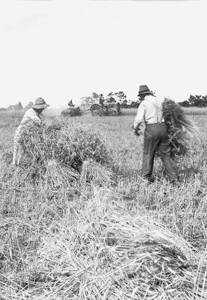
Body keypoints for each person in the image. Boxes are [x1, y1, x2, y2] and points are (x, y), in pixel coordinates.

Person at [133, 85, 177, 183]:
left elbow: (139, 119)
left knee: (148, 153)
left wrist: (135, 128)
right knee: (166, 155)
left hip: (152, 129)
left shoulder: (144, 103)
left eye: (140, 96)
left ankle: (145, 178)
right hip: (163, 127)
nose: (140, 98)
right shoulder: (159, 100)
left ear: (142, 95)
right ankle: (173, 179)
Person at [12, 97, 50, 166]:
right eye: (42, 108)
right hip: (21, 131)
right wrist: (46, 126)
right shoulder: (31, 112)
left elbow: (44, 120)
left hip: (28, 133)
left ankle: (20, 165)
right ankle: (15, 166)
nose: (43, 109)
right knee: (18, 149)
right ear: (38, 107)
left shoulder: (39, 113)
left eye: (43, 108)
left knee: (23, 151)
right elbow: (39, 122)